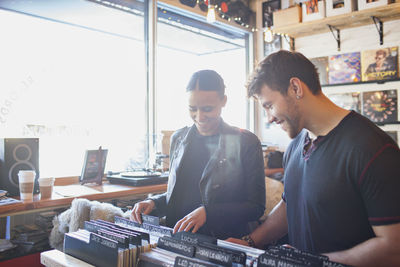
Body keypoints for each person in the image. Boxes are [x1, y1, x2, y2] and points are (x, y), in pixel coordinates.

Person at [226, 50, 400, 267]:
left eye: (269, 105)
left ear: (296, 88)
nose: (269, 118)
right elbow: (291, 205)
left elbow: (394, 248)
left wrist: (314, 262)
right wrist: (250, 242)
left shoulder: (372, 149)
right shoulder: (296, 146)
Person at [131, 70, 266, 239]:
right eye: (192, 109)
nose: (199, 117)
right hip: (178, 240)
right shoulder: (178, 138)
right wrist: (153, 203)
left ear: (223, 101)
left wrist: (209, 213)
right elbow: (181, 196)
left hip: (222, 240)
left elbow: (256, 207)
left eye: (207, 109)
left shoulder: (246, 142)